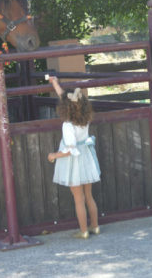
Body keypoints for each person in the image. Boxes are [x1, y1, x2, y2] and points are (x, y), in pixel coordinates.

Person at [47, 76, 101, 239]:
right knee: (89, 197)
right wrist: (55, 83)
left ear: (65, 108)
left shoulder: (68, 125)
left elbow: (70, 150)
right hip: (86, 157)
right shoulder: (85, 119)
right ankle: (95, 227)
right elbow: (66, 97)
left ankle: (83, 231)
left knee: (79, 199)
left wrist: (54, 155)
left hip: (74, 162)